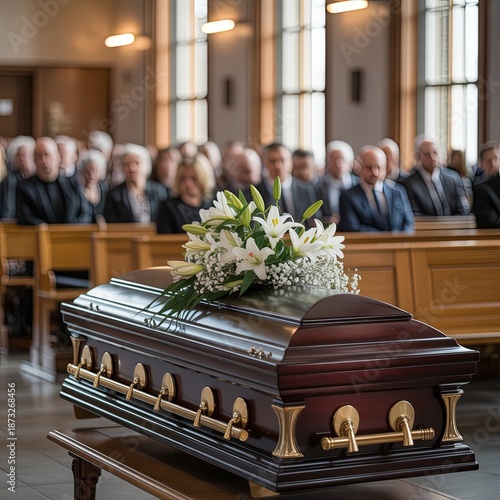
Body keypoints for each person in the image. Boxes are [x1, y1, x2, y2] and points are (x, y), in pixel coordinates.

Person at [16, 137, 92, 225]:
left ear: (57, 157)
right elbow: (25, 218)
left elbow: (86, 214)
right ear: (34, 160)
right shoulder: (25, 187)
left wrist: (71, 229)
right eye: (39, 156)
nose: (44, 161)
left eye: (47, 155)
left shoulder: (73, 184)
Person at [338, 145, 414, 232]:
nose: (375, 173)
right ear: (359, 168)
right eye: (369, 167)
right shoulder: (348, 196)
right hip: (367, 244)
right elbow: (351, 227)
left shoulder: (398, 191)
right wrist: (384, 239)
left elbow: (408, 223)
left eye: (378, 167)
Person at [253, 142, 322, 225]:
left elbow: (314, 221)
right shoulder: (254, 192)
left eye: (282, 160)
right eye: (272, 161)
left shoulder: (305, 189)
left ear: (291, 162)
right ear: (264, 163)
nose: (277, 166)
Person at [401, 137, 470, 216]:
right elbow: (414, 213)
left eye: (435, 153)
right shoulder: (409, 184)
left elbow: (463, 208)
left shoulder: (452, 178)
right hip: (425, 227)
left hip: (453, 226)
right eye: (427, 154)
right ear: (418, 157)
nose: (432, 157)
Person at [103, 143, 167, 223]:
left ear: (146, 165)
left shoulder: (159, 191)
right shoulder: (115, 195)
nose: (132, 168)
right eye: (127, 164)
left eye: (136, 163)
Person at [157, 154, 215, 234]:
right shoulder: (168, 207)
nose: (188, 184)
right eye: (183, 178)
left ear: (203, 179)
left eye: (193, 178)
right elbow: (165, 241)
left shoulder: (213, 205)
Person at [315, 140, 359, 225]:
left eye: (342, 159)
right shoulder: (318, 186)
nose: (338, 164)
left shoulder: (358, 184)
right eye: (334, 160)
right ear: (327, 162)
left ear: (350, 163)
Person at [0, 135, 37, 219]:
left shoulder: (38, 178)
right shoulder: (11, 179)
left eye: (25, 155)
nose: (22, 158)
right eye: (18, 156)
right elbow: (8, 209)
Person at [77, 149, 109, 222]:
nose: (91, 175)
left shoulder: (105, 190)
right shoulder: (77, 190)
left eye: (95, 171)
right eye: (88, 171)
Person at [472, 146, 500, 228]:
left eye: (495, 159)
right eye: (488, 160)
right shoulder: (480, 189)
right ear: (481, 163)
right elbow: (489, 222)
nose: (493, 164)